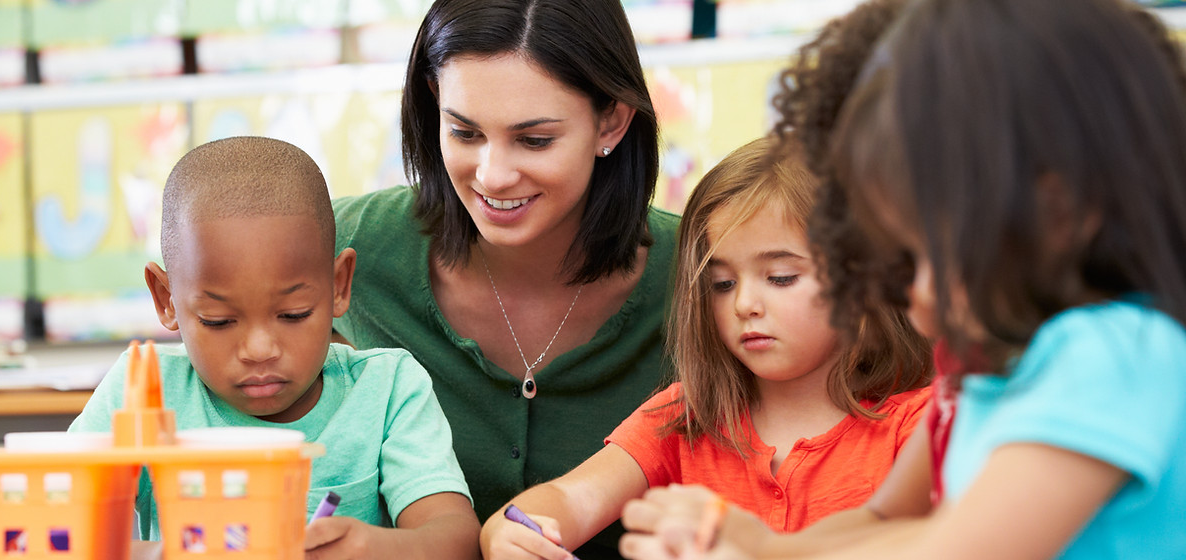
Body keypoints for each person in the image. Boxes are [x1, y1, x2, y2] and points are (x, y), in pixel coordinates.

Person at [619, 0, 1186, 558]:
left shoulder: (1115, 352)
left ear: (1055, 214)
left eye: (912, 257)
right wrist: (766, 547)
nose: (892, 291)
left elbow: (957, 547)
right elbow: (884, 519)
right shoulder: (982, 366)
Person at [330, 1, 678, 555]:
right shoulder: (349, 246)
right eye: (465, 133)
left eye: (535, 140)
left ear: (611, 119)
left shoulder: (710, 273)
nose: (492, 174)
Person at [479, 135, 933, 560]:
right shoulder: (686, 416)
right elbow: (570, 499)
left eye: (780, 278)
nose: (745, 304)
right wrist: (511, 531)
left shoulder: (920, 425)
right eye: (721, 283)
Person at [69, 136, 480, 560]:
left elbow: (456, 537)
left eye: (294, 314)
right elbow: (59, 527)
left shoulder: (388, 388)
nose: (260, 349)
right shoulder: (142, 393)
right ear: (166, 299)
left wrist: (377, 549)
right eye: (218, 321)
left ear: (339, 286)